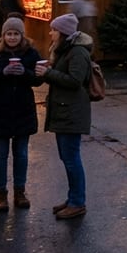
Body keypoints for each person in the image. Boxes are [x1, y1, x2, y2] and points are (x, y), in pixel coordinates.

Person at [0, 17, 44, 212]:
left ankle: (20, 191)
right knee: (0, 154)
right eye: (9, 33)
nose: (12, 37)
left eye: (16, 33)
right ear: (3, 35)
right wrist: (4, 72)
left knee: (22, 154)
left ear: (21, 35)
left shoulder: (31, 53)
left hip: (23, 109)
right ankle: (0, 194)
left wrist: (24, 72)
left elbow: (37, 80)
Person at [34, 13, 92, 220]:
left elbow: (75, 80)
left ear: (63, 32)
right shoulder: (65, 50)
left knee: (71, 159)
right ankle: (73, 198)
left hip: (72, 112)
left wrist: (47, 74)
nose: (51, 32)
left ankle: (77, 202)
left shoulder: (76, 52)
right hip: (65, 110)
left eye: (54, 29)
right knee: (68, 158)